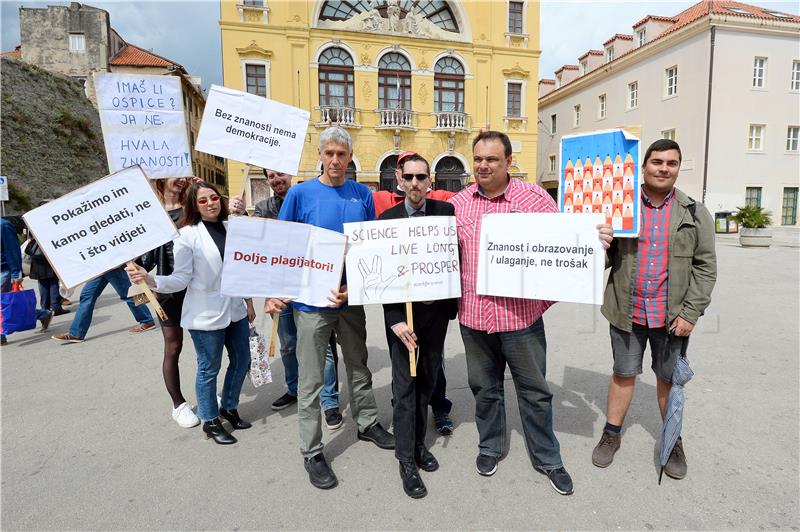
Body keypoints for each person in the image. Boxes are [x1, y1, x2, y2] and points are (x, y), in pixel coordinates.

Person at [449, 130, 613, 496]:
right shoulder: (458, 204)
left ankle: (547, 456)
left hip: (520, 321)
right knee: (484, 389)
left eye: (491, 159)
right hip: (474, 320)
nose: (483, 166)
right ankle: (490, 445)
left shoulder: (534, 197)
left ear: (509, 162)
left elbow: (562, 246)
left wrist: (593, 240)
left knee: (535, 392)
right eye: (478, 159)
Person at [266, 126, 393, 489]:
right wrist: (274, 293)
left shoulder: (361, 195)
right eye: (329, 154)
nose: (336, 160)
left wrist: (353, 289)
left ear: (350, 157)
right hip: (310, 304)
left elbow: (369, 249)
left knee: (358, 367)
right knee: (311, 381)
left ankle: (367, 423)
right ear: (319, 156)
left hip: (348, 301)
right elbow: (282, 247)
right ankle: (312, 451)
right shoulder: (300, 194)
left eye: (342, 154)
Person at [591, 139, 716, 481]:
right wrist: (599, 243)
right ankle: (611, 433)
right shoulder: (620, 206)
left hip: (671, 316)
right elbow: (598, 261)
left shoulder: (694, 212)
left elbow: (705, 267)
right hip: (626, 312)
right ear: (643, 166)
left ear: (678, 167)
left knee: (668, 380)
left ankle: (672, 441)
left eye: (671, 163)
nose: (663, 168)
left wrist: (691, 313)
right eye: (657, 162)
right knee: (623, 374)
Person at [127, 181, 256, 445]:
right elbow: (180, 278)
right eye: (203, 201)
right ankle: (210, 421)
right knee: (209, 368)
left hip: (235, 309)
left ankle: (228, 406)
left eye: (213, 198)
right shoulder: (187, 236)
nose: (210, 203)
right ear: (194, 207)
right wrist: (152, 281)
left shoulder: (231, 228)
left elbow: (244, 268)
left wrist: (249, 302)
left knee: (242, 360)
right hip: (205, 314)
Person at [233, 170, 342, 424]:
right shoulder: (262, 208)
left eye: (280, 174)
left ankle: (329, 400)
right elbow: (255, 242)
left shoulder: (308, 198)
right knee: (288, 344)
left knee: (322, 346)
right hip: (279, 287)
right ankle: (293, 388)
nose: (276, 179)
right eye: (271, 177)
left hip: (311, 285)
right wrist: (240, 217)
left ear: (289, 175)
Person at [379, 153, 458, 499]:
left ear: (430, 181)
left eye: (420, 177)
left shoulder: (446, 214)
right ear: (399, 178)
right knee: (406, 388)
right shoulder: (386, 220)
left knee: (426, 384)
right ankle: (406, 460)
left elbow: (456, 259)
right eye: (408, 176)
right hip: (403, 321)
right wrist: (395, 320)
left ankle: (418, 445)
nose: (414, 183)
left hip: (435, 316)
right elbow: (379, 276)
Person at [138, 178, 199, 429]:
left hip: (200, 288)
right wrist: (131, 263)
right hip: (168, 292)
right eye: (175, 173)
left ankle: (206, 393)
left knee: (208, 345)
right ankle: (179, 404)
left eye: (184, 173)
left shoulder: (193, 207)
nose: (182, 178)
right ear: (161, 179)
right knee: (173, 347)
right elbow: (146, 260)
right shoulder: (150, 215)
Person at [50, 265, 156, 343]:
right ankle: (76, 333)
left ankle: (147, 320)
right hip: (99, 267)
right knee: (87, 297)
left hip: (111, 265)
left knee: (127, 294)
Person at [1, 217, 52, 345]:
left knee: (3, 304)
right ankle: (42, 314)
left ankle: (1, 335)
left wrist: (16, 273)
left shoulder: (3, 226)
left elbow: (12, 250)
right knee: (7, 305)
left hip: (4, 270)